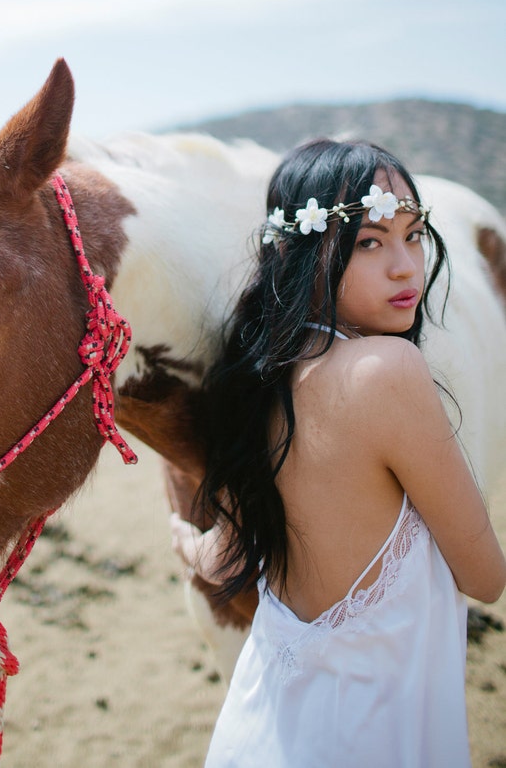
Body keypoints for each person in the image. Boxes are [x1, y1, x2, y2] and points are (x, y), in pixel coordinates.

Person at [171, 139, 506, 767]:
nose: (407, 266)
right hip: (368, 739)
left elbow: (224, 552)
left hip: (261, 729)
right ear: (301, 255)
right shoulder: (386, 371)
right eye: (369, 243)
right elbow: (487, 578)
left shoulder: (261, 380)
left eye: (413, 234)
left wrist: (182, 541)